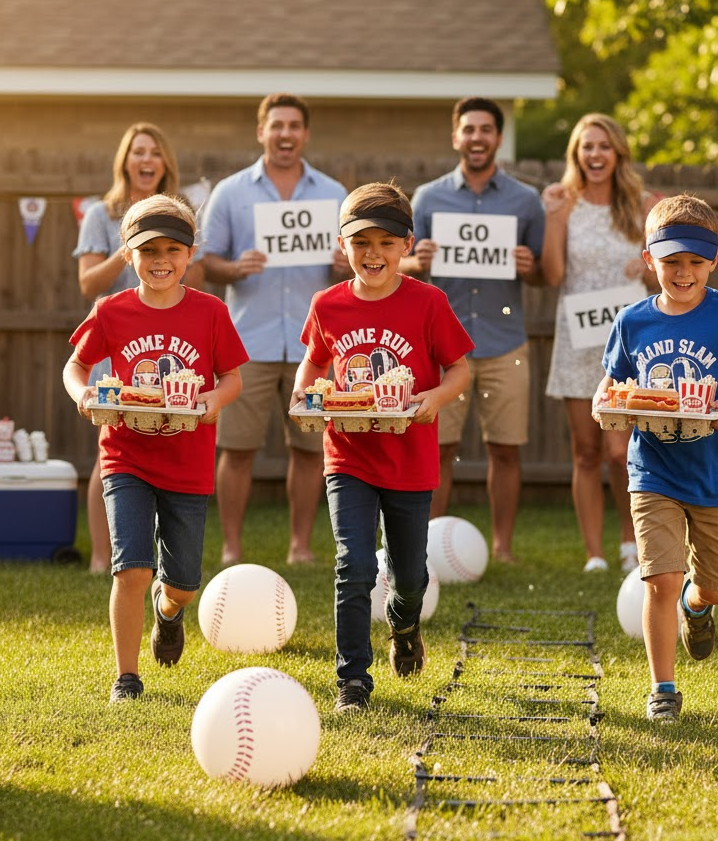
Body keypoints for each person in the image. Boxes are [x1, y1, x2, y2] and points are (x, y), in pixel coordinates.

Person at [291, 182, 473, 713]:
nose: (374, 254)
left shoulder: (428, 302)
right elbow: (315, 361)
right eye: (361, 242)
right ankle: (352, 679)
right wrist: (305, 392)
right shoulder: (328, 304)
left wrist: (435, 397)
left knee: (409, 573)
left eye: (386, 243)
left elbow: (460, 368)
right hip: (347, 455)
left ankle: (406, 623)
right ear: (342, 245)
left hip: (410, 458)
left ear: (407, 245)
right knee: (353, 563)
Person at [596, 193, 718, 723]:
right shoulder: (632, 321)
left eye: (695, 262)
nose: (683, 272)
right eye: (671, 261)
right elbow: (613, 380)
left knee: (714, 583)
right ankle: (664, 690)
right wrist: (602, 399)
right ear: (649, 260)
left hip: (717, 473)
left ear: (713, 261)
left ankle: (699, 610)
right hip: (653, 469)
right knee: (660, 579)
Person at [63, 194, 248, 702]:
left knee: (182, 583)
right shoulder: (113, 310)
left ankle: (169, 615)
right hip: (126, 456)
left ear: (190, 255)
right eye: (148, 250)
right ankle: (127, 677)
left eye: (173, 248)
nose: (161, 259)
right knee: (133, 569)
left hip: (187, 464)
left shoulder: (210, 313)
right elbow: (75, 366)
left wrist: (212, 398)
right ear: (128, 255)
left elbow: (232, 379)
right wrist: (84, 395)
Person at [202, 93, 348, 566]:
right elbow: (205, 264)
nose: (285, 134)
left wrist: (345, 265)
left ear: (305, 134)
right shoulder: (230, 192)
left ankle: (300, 547)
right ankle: (230, 547)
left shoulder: (333, 194)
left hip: (315, 346)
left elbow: (357, 268)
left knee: (308, 450)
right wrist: (235, 267)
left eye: (294, 126)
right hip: (250, 342)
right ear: (261, 131)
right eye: (276, 125)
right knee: (237, 449)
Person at [403, 97, 545, 562]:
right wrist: (414, 260)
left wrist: (531, 266)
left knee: (505, 450)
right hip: (443, 347)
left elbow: (545, 273)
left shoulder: (526, 201)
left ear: (498, 139)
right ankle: (426, 547)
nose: (477, 138)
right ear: (456, 137)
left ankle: (502, 547)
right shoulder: (427, 198)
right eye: (469, 129)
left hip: (506, 344)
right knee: (437, 451)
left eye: (486, 130)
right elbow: (398, 267)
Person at [73, 121, 204, 574]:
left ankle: (160, 554)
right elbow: (88, 281)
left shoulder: (182, 214)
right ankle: (101, 554)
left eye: (154, 152)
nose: (146, 160)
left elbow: (198, 280)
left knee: (164, 441)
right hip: (116, 345)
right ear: (124, 162)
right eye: (137, 152)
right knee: (110, 450)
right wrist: (131, 243)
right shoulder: (99, 214)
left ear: (165, 162)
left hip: (169, 349)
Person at [541, 114, 658, 574]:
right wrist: (552, 219)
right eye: (586, 147)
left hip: (631, 342)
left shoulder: (642, 204)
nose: (595, 155)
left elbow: (665, 273)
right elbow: (551, 276)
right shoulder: (562, 204)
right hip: (579, 339)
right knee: (586, 451)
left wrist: (644, 267)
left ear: (618, 154)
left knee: (621, 450)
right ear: (576, 155)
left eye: (603, 146)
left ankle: (632, 540)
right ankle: (594, 553)